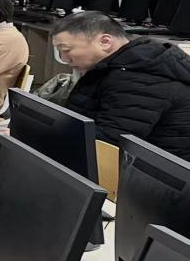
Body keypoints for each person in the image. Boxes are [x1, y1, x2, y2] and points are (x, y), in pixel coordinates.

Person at [52, 10, 190, 159]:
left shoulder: (140, 78)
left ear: (105, 42)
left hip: (157, 168)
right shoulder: (117, 66)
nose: (64, 58)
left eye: (66, 50)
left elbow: (110, 144)